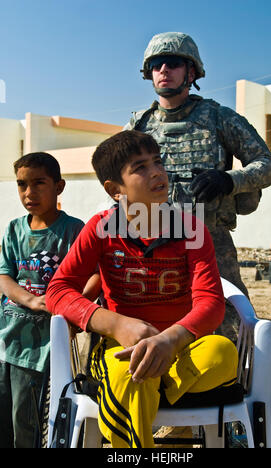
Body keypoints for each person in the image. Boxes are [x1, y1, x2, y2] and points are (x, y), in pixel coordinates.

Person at [46, 130, 238, 448]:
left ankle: (151, 387)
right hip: (122, 349)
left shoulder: (192, 229)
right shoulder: (100, 229)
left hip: (183, 350)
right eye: (140, 167)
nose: (157, 172)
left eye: (158, 162)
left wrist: (169, 340)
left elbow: (211, 304)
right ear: (115, 189)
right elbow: (59, 290)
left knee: (222, 352)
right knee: (131, 374)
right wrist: (116, 324)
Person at [125, 32, 271, 339]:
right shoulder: (138, 125)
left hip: (210, 239)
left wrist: (228, 181)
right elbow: (118, 177)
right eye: (156, 64)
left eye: (173, 63)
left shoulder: (219, 118)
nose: (163, 70)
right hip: (154, 241)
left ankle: (233, 385)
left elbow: (267, 164)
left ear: (191, 72)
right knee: (154, 322)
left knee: (230, 322)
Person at [0, 152, 85, 448]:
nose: (28, 193)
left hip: (40, 345)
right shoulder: (13, 229)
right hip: (6, 337)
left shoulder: (74, 231)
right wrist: (32, 300)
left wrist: (74, 312)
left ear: (59, 186)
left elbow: (94, 277)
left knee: (26, 419)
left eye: (38, 183)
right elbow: (4, 276)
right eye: (22, 184)